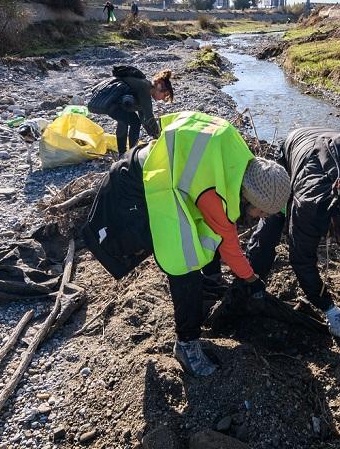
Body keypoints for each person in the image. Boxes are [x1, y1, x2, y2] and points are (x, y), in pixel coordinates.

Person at [82, 111, 291, 376]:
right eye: (262, 213)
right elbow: (228, 245)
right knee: (185, 265)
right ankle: (187, 345)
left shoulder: (234, 151)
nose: (262, 219)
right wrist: (252, 280)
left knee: (201, 242)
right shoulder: (217, 195)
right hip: (138, 191)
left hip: (149, 166)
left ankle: (210, 281)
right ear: (249, 199)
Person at [246, 128, 340, 338]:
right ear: (332, 224)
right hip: (297, 148)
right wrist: (327, 306)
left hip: (335, 156)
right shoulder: (309, 205)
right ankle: (252, 281)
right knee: (272, 218)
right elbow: (301, 260)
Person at [87, 67, 173, 157]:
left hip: (115, 102)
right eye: (165, 95)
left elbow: (144, 119)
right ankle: (123, 154)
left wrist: (154, 135)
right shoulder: (145, 88)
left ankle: (130, 153)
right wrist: (160, 137)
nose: (163, 99)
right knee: (124, 121)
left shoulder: (144, 88)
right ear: (159, 85)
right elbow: (149, 116)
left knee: (135, 122)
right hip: (109, 100)